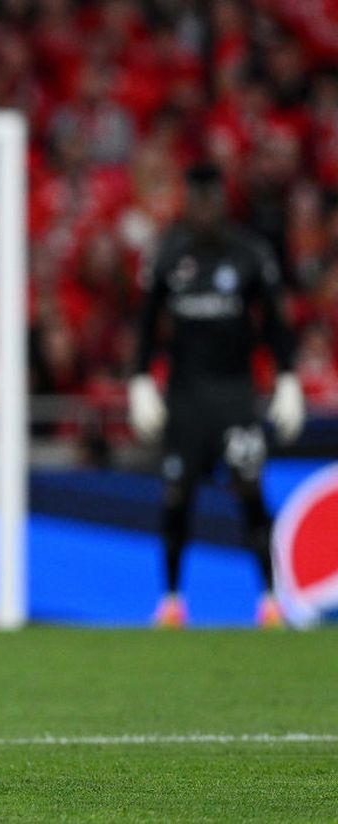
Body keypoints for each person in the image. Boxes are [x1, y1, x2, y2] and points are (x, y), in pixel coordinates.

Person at [128, 162, 304, 629]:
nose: (204, 210)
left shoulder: (249, 253)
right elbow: (146, 325)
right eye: (197, 200)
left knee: (249, 490)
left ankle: (270, 600)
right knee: (176, 494)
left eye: (211, 200)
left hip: (235, 396)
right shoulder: (168, 255)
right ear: (188, 202)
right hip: (185, 399)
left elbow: (275, 322)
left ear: (222, 202)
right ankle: (170, 602)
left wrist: (287, 377)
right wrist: (140, 379)